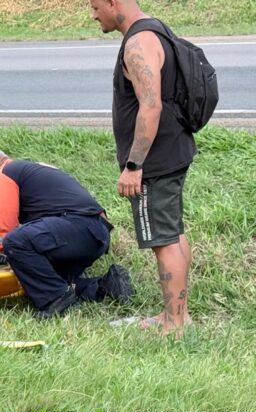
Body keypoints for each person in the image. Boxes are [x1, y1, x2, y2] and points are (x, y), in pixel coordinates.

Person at [90, 0, 197, 337]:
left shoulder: (138, 43)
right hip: (172, 151)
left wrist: (134, 165)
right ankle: (178, 315)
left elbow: (151, 106)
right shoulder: (155, 29)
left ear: (112, 2)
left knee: (163, 240)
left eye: (95, 6)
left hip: (156, 160)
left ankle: (174, 324)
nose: (93, 14)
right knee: (172, 234)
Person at [0, 148, 134, 318]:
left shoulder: (5, 174)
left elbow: (4, 231)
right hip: (96, 233)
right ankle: (105, 285)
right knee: (38, 278)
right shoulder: (35, 169)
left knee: (14, 242)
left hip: (78, 226)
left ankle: (56, 300)